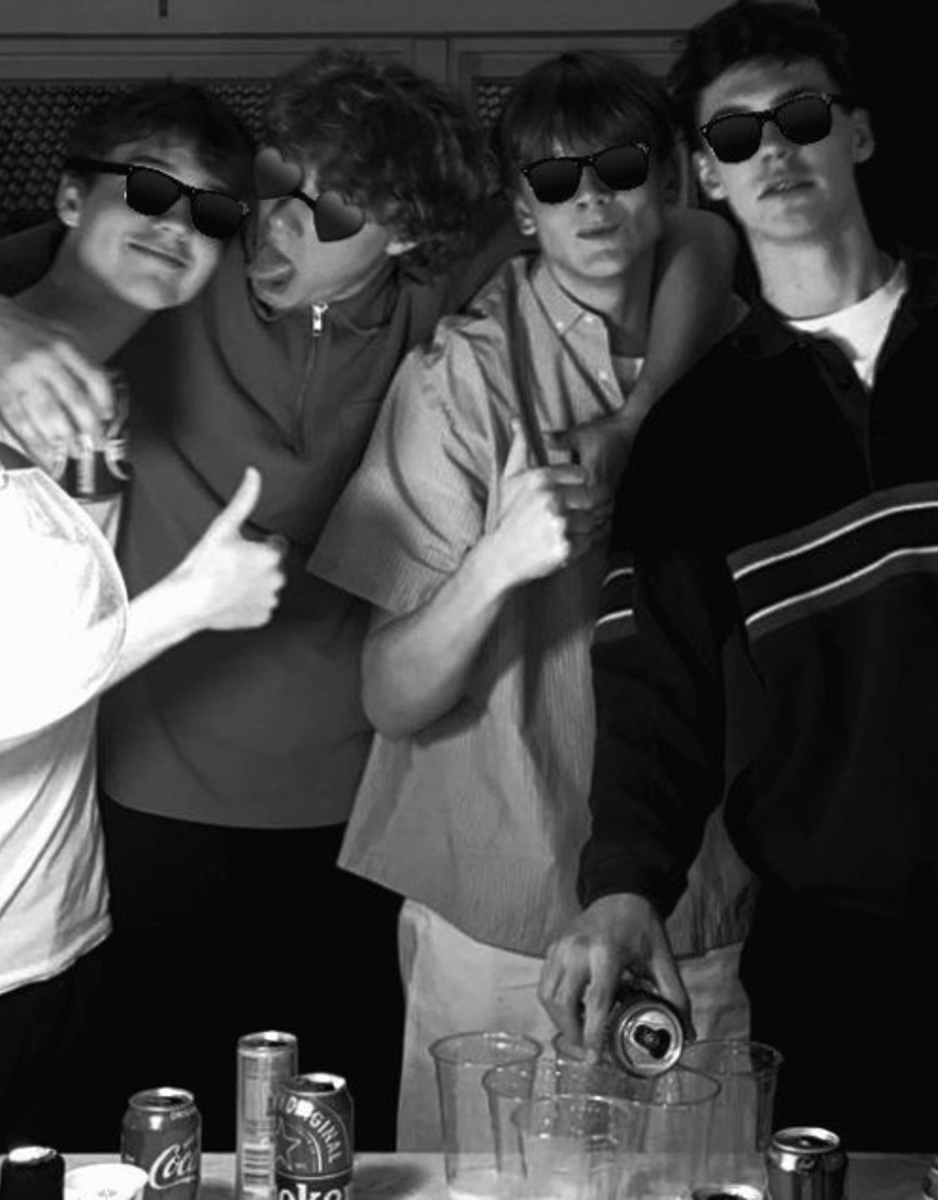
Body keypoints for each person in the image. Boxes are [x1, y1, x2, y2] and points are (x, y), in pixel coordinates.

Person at [0, 49, 740, 1148]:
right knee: (154, 1132)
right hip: (148, 789)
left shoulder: (434, 297)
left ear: (400, 239)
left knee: (327, 1136)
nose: (278, 227)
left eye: (330, 214)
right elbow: (37, 271)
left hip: (342, 806)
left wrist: (636, 420)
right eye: (272, 190)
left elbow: (695, 238)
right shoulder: (183, 262)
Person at [536, 6, 938, 1198]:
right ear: (707, 176)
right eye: (735, 135)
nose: (774, 149)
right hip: (842, 964)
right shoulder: (697, 434)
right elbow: (652, 694)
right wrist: (622, 886)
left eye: (802, 116)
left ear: (857, 134)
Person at [308, 51, 757, 1151]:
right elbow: (389, 695)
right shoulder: (459, 380)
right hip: (501, 899)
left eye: (619, 169)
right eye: (556, 182)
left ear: (672, 181)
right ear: (522, 208)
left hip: (696, 896)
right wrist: (497, 560)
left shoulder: (751, 363)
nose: (590, 201)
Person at [0, 82, 286, 1160]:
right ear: (70, 198)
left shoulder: (105, 406)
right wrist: (189, 607)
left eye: (212, 212)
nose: (176, 226)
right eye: (150, 190)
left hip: (60, 930)